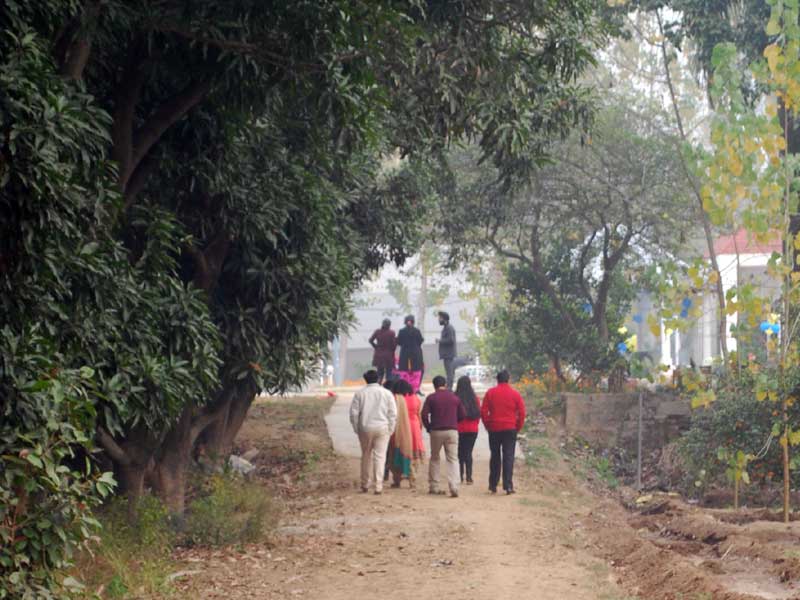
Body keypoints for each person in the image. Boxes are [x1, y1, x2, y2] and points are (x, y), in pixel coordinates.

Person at [349, 370, 397, 495]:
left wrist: (357, 428)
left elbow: (354, 414)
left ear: (365, 379)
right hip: (382, 428)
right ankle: (378, 486)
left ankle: (365, 484)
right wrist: (390, 429)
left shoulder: (360, 394)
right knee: (380, 457)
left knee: (365, 455)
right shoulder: (386, 393)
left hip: (365, 428)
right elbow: (393, 413)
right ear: (379, 379)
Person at [481, 370, 526, 495]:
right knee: (508, 457)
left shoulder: (490, 393)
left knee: (495, 456)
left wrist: (487, 425)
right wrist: (517, 427)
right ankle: (508, 486)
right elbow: (522, 413)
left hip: (494, 428)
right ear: (508, 379)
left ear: (497, 380)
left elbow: (484, 411)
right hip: (510, 429)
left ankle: (493, 485)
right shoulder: (515, 394)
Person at [422, 375, 465, 497]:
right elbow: (463, 414)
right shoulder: (454, 398)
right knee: (453, 459)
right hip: (452, 431)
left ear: (434, 386)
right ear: (445, 384)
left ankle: (434, 486)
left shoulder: (431, 398)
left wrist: (428, 427)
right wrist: (454, 422)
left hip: (436, 431)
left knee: (435, 458)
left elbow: (424, 415)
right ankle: (454, 486)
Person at [389, 379, 416, 488]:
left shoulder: (393, 398)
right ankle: (412, 480)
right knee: (406, 455)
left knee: (393, 457)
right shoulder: (406, 399)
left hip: (395, 431)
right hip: (406, 431)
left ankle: (397, 480)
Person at [455, 375, 481, 485]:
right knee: (468, 452)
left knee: (460, 453)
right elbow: (478, 414)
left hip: (459, 429)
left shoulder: (455, 398)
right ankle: (469, 477)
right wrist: (475, 425)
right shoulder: (475, 399)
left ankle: (460, 476)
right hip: (472, 430)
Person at [396, 314, 424, 392]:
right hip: (416, 354)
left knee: (404, 372)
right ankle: (415, 390)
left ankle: (405, 389)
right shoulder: (417, 331)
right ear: (413, 321)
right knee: (416, 372)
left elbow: (399, 342)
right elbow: (420, 341)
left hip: (405, 354)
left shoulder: (402, 331)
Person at [368, 319, 396, 384]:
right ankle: (388, 389)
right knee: (389, 373)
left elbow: (370, 340)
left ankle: (378, 387)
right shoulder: (391, 333)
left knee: (379, 373)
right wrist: (392, 350)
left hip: (379, 355)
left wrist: (376, 347)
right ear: (389, 325)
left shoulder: (377, 331)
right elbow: (394, 345)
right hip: (388, 356)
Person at [436, 311, 457, 390]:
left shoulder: (449, 328)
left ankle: (449, 388)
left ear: (445, 319)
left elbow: (451, 340)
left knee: (450, 373)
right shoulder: (446, 328)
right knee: (449, 372)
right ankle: (449, 387)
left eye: (440, 318)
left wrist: (440, 340)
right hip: (446, 355)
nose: (439, 320)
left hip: (449, 354)